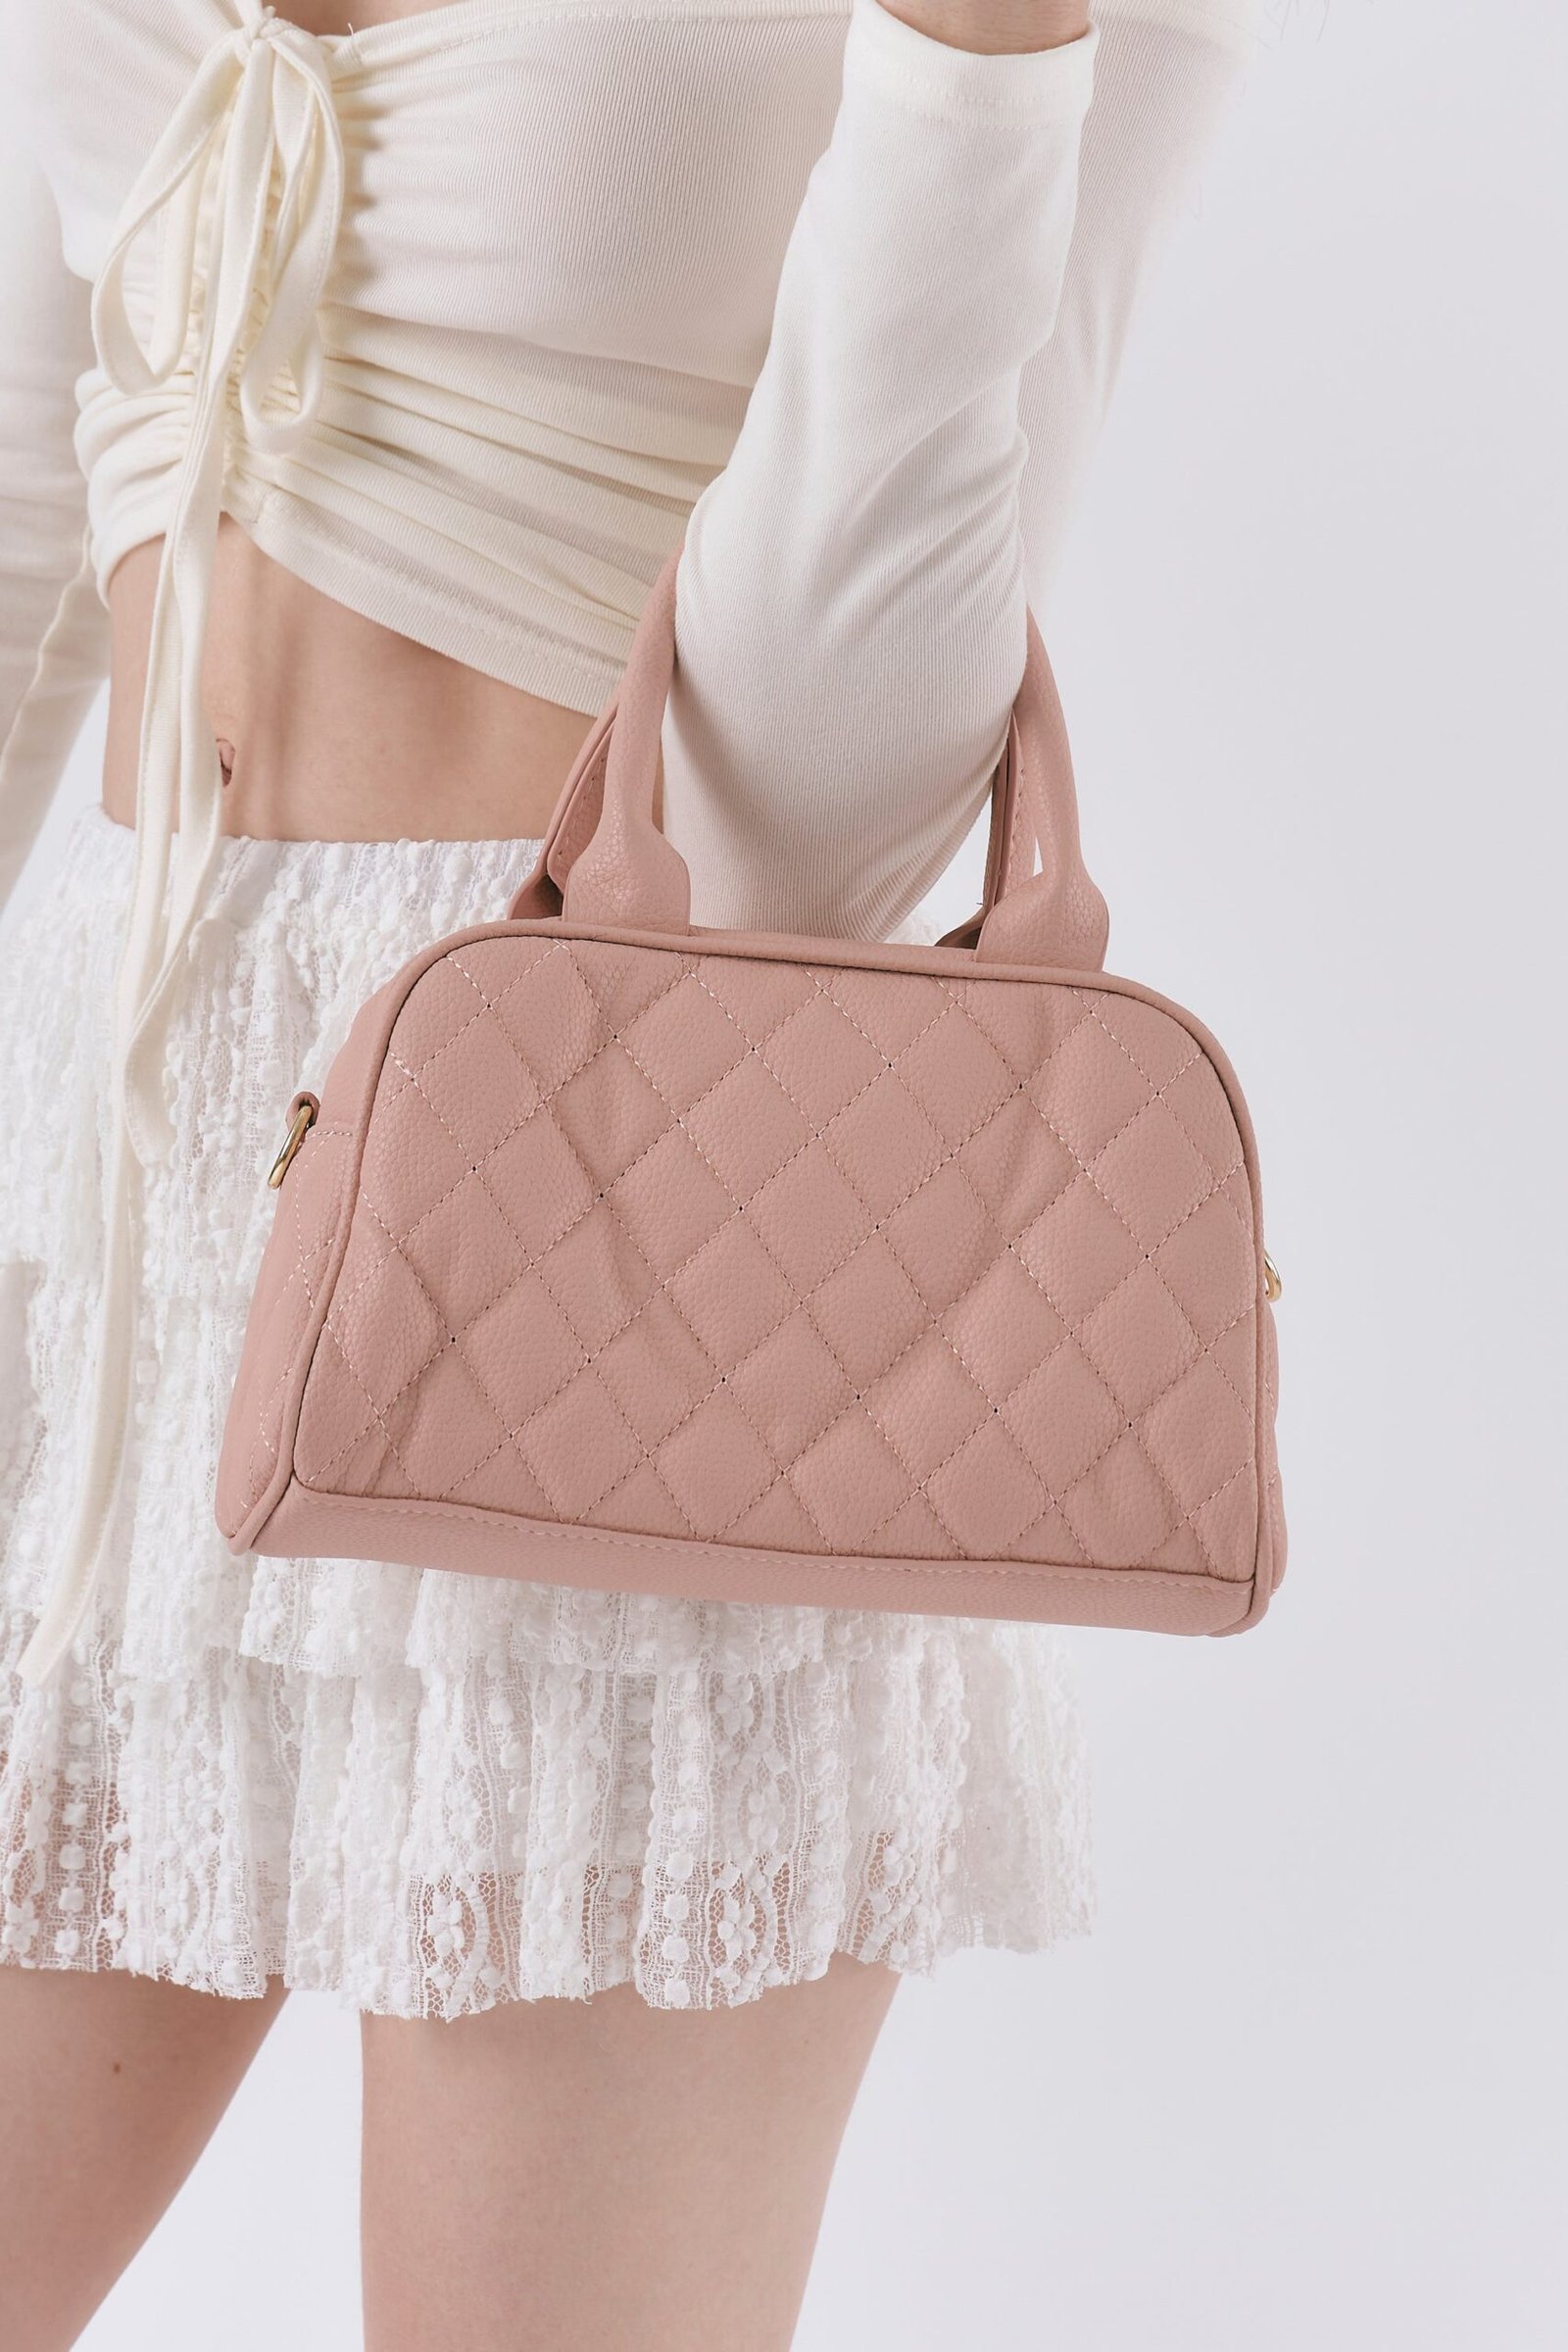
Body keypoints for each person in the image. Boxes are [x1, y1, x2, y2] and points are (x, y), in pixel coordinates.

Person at [0, 0, 1257, 2340]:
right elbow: (44, 494)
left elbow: (848, 776)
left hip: (615, 1210)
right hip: (126, 1186)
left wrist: (971, 84)